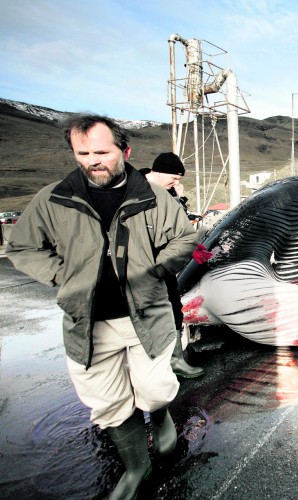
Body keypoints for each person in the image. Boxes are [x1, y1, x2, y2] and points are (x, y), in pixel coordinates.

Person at [6, 114, 198, 499]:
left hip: (145, 311)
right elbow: (22, 246)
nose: (93, 159)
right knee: (107, 402)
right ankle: (136, 467)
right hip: (88, 321)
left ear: (123, 150)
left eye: (102, 151)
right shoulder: (54, 198)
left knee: (155, 388)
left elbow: (184, 239)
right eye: (84, 153)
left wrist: (156, 269)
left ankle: (159, 415)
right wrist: (62, 276)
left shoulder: (153, 196)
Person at [140, 153, 206, 379]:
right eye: (173, 177)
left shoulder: (169, 194)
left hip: (164, 263)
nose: (176, 183)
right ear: (156, 171)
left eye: (178, 179)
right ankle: (147, 365)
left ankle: (175, 361)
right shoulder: (134, 190)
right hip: (138, 263)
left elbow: (178, 229)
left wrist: (189, 248)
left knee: (172, 308)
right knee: (143, 313)